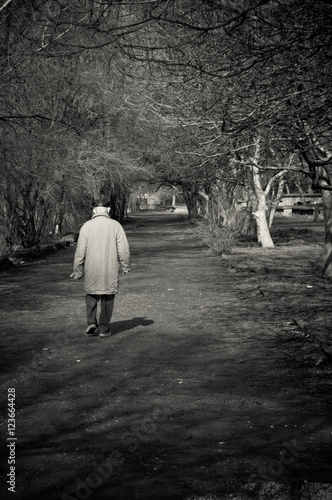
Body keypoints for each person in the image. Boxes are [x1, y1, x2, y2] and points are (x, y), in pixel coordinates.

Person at [70, 199, 130, 337]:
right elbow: (123, 248)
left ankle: (91, 323)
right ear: (108, 210)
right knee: (108, 295)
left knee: (91, 293)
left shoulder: (86, 226)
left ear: (94, 210)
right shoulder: (116, 225)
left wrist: (77, 270)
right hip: (110, 268)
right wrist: (125, 266)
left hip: (92, 268)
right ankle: (103, 327)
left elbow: (80, 251)